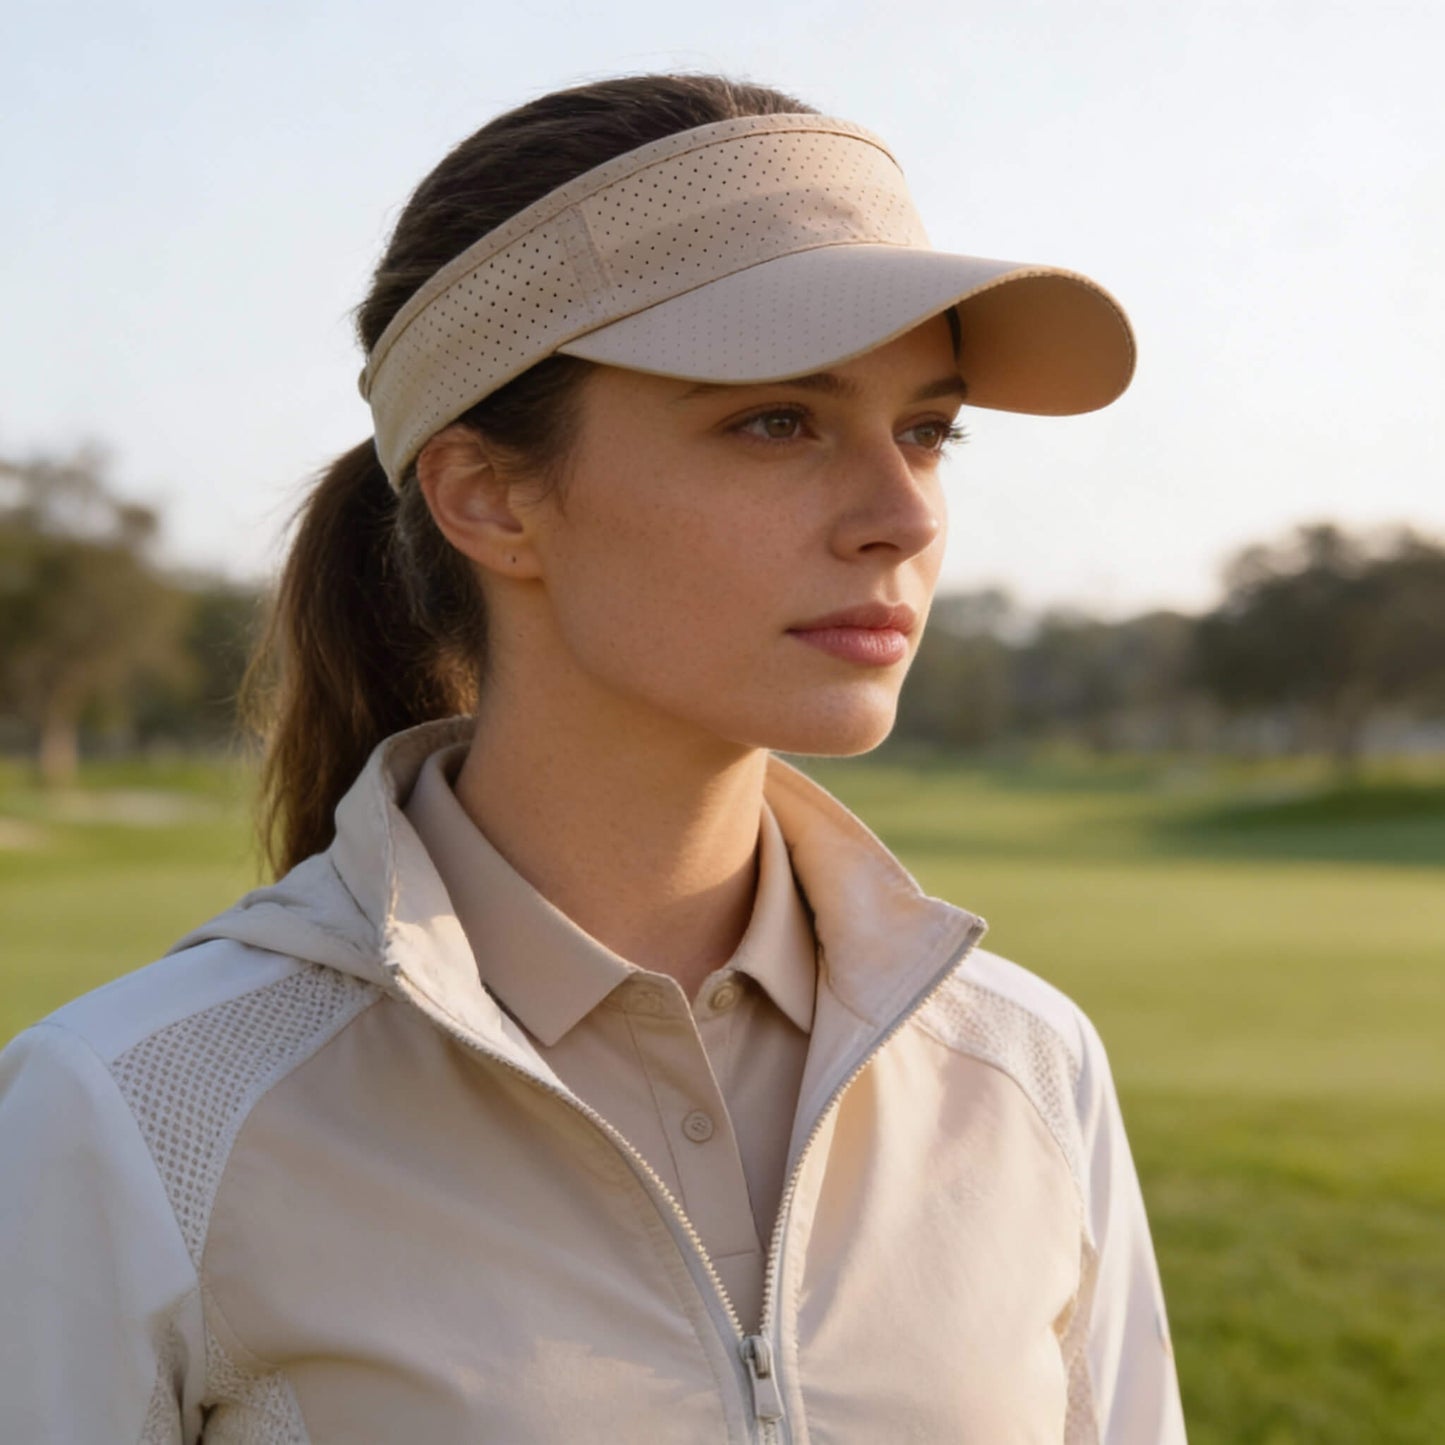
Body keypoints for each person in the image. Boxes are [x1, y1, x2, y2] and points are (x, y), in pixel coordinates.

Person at [0, 73, 1187, 1443]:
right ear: (488, 496)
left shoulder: (1027, 1067)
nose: (901, 513)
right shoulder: (132, 1110)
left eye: (925, 428)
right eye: (776, 420)